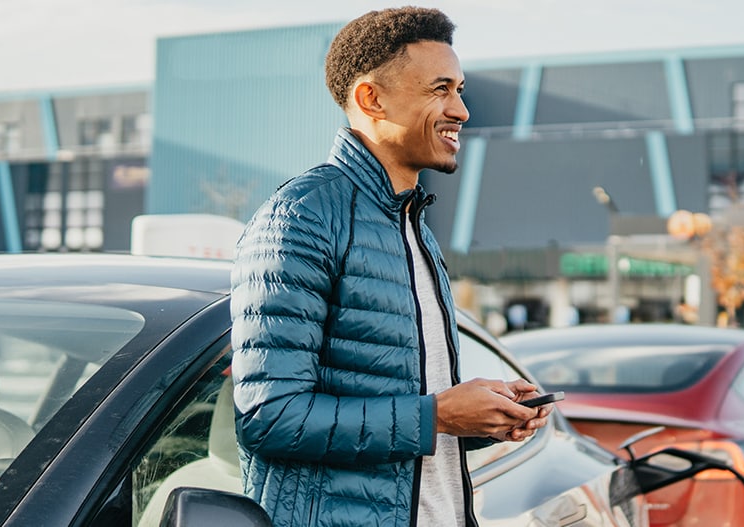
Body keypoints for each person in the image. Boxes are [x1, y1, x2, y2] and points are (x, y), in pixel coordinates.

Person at [230, 7, 550, 527]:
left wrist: (476, 420)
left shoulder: (414, 228)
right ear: (370, 98)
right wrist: (438, 414)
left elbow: (405, 423)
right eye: (440, 89)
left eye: (460, 89)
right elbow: (270, 417)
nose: (461, 110)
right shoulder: (301, 219)